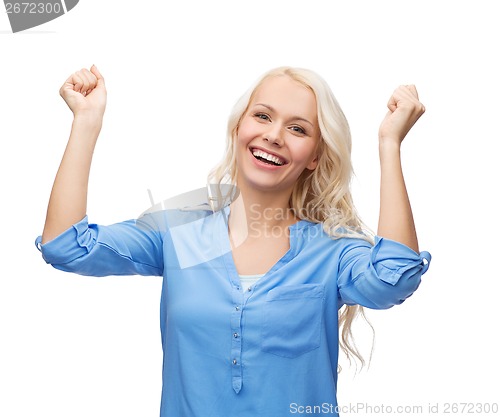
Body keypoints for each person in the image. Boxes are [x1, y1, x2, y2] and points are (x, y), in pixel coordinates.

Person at [36, 65, 431, 416]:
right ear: (239, 128)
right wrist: (86, 121)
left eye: (298, 129)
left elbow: (394, 279)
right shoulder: (179, 231)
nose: (274, 135)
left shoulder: (333, 250)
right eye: (262, 116)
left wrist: (389, 145)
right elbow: (68, 247)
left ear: (314, 155)